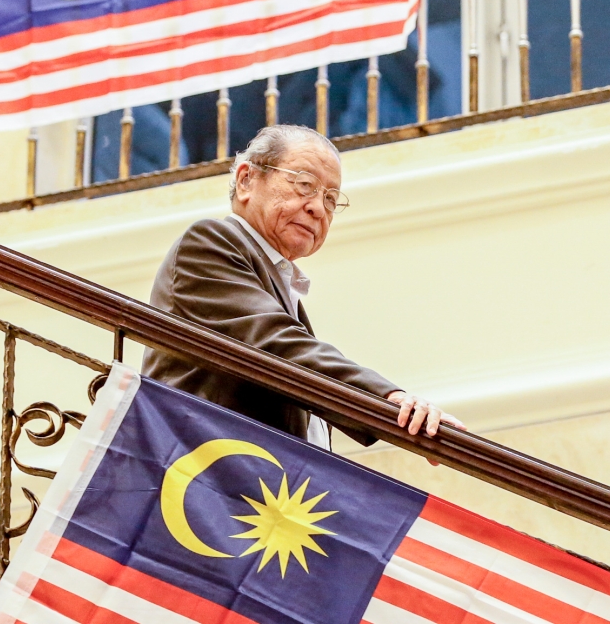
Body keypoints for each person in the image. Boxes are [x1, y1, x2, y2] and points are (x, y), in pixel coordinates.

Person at [142, 125, 463, 449]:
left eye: (331, 199)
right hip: (196, 480)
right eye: (305, 185)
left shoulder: (280, 289)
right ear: (246, 181)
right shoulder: (208, 243)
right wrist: (388, 399)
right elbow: (277, 345)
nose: (318, 208)